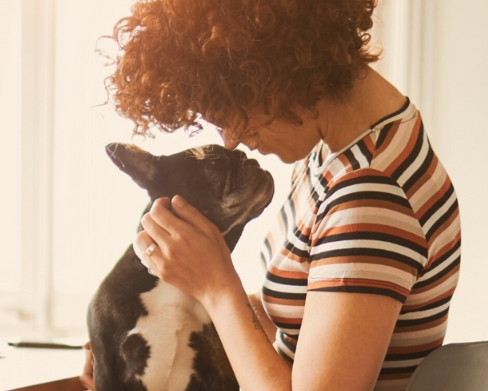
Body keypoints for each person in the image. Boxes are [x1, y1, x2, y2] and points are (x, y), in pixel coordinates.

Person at [81, 0, 462, 390]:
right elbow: (305, 322)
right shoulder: (352, 151)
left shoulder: (369, 196)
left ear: (269, 68)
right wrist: (143, 325)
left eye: (226, 107)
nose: (230, 138)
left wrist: (217, 287)